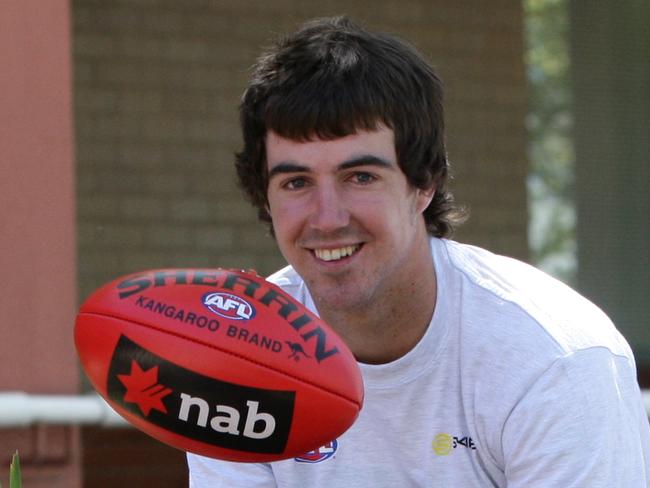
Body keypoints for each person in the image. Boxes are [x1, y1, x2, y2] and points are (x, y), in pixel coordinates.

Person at [188, 16, 650, 487]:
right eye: (296, 182)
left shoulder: (552, 359)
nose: (327, 218)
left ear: (424, 183)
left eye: (361, 177)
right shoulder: (238, 359)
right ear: (264, 196)